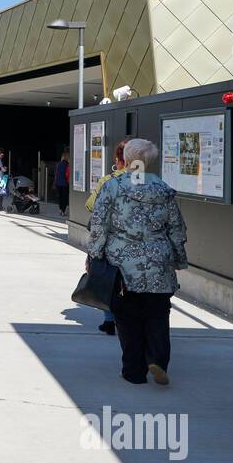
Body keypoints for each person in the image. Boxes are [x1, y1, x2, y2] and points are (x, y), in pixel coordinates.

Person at [86, 138, 188, 386]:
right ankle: (158, 360)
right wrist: (178, 259)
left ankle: (133, 371)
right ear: (150, 160)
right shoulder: (163, 189)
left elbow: (99, 224)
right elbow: (177, 228)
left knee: (127, 316)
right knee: (158, 313)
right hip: (158, 262)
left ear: (128, 159)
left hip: (123, 264)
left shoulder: (113, 187)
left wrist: (94, 254)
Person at [84, 140, 129, 334]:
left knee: (107, 278)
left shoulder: (108, 181)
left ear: (118, 159)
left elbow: (91, 206)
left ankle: (109, 320)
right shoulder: (150, 182)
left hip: (111, 241)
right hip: (139, 245)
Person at [54, 151, 70, 217]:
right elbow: (67, 174)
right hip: (65, 184)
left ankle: (60, 210)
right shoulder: (68, 164)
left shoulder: (58, 164)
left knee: (60, 197)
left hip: (58, 183)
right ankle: (63, 211)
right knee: (65, 198)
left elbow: (56, 174)